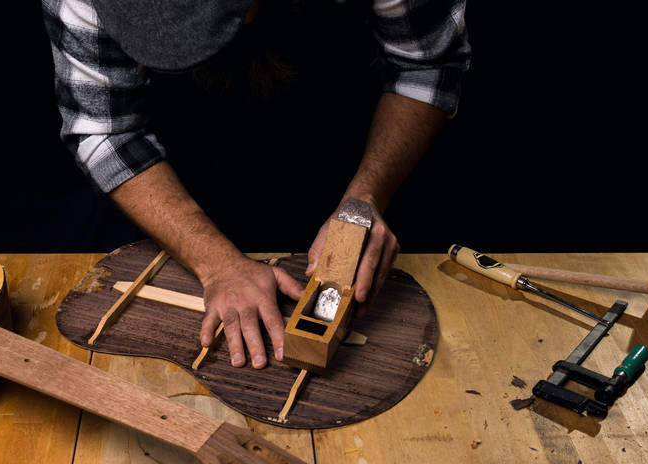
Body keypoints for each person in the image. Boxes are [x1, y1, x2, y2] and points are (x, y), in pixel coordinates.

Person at [42, 0, 470, 369]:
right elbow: (106, 130)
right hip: (182, 175)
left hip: (352, 141)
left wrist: (366, 196)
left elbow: (426, 66)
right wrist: (217, 264)